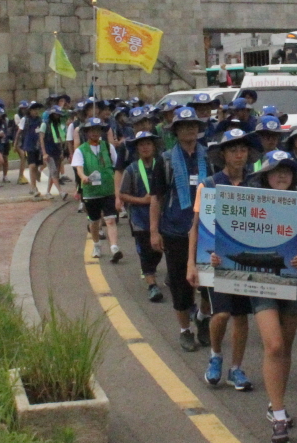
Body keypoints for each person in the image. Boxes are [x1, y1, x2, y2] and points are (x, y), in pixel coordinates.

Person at [244, 150, 297, 443]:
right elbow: (226, 241)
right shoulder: (251, 204)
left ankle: (277, 403)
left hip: (294, 282)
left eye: (287, 171)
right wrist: (217, 258)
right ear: (265, 176)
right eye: (276, 171)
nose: (282, 176)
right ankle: (277, 416)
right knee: (273, 344)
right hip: (261, 283)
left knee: (284, 347)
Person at [193, 126, 259, 393]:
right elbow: (196, 227)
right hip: (215, 262)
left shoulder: (255, 184)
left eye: (243, 149)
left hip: (244, 262)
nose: (239, 154)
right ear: (223, 154)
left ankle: (236, 368)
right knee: (220, 314)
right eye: (233, 150)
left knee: (241, 317)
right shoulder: (208, 185)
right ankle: (216, 355)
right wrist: (191, 264)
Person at [149, 107, 215, 352]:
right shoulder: (165, 160)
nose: (189, 129)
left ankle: (203, 319)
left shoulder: (208, 157)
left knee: (210, 283)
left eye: (193, 125)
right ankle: (185, 330)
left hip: (207, 230)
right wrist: (154, 232)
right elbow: (156, 198)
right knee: (180, 284)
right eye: (184, 126)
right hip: (175, 230)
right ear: (175, 131)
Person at [119, 130, 165, 303]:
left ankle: (155, 274)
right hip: (139, 219)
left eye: (148, 144)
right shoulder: (131, 170)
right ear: (137, 149)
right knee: (145, 252)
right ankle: (152, 284)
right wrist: (142, 200)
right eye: (141, 145)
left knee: (159, 251)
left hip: (162, 219)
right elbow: (122, 194)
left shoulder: (162, 166)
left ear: (154, 147)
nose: (145, 147)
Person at [72, 117, 123, 262]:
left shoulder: (108, 147)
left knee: (111, 219)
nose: (95, 133)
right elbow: (78, 168)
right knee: (94, 221)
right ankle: (96, 244)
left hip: (108, 189)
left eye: (97, 130)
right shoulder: (81, 150)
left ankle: (114, 248)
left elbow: (117, 166)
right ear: (87, 132)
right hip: (91, 192)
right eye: (91, 130)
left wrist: (119, 189)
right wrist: (83, 177)